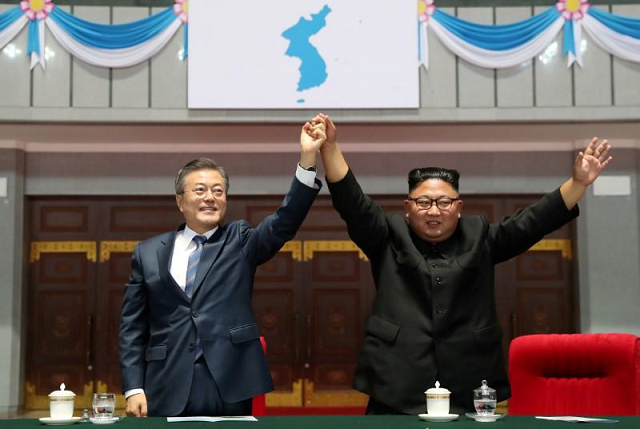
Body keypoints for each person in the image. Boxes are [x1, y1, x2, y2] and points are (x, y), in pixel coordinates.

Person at [311, 113, 612, 414]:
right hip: (395, 382)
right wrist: (330, 147)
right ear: (407, 208)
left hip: (471, 381)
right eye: (424, 202)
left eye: (444, 202)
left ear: (458, 208)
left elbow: (531, 223)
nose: (434, 210)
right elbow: (352, 203)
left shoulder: (478, 235)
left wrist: (577, 183)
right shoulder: (387, 235)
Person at [119, 119, 327, 417]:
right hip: (166, 378)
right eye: (200, 190)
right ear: (180, 201)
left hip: (229, 377)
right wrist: (133, 387)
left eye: (218, 191)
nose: (210, 197)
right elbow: (132, 326)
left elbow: (284, 221)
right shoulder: (148, 252)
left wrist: (308, 160)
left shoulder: (239, 240)